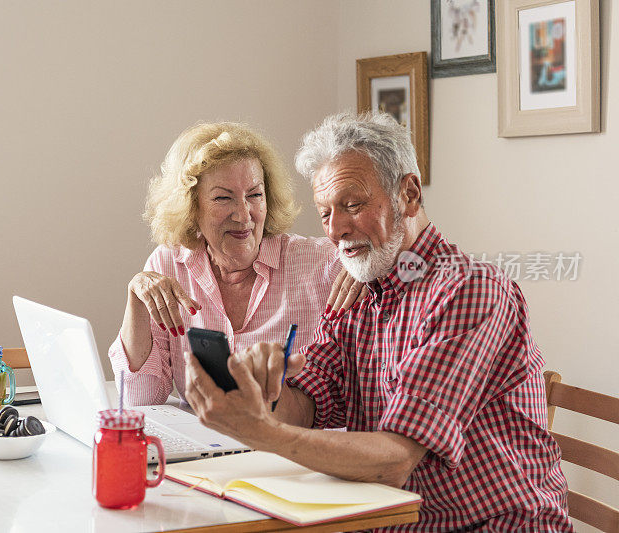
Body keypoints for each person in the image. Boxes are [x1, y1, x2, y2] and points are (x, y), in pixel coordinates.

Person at [183, 112, 573, 531]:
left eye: (353, 205)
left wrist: (261, 431)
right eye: (325, 212)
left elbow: (394, 460)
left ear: (408, 194)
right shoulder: (358, 290)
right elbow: (312, 404)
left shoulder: (468, 290)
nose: (336, 230)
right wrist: (264, 392)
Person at [108, 122, 364, 405]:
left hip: (287, 444)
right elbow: (138, 397)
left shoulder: (323, 262)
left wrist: (367, 266)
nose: (243, 215)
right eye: (222, 198)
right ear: (191, 206)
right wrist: (135, 300)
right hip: (204, 444)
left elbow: (403, 258)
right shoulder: (168, 265)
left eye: (255, 195)